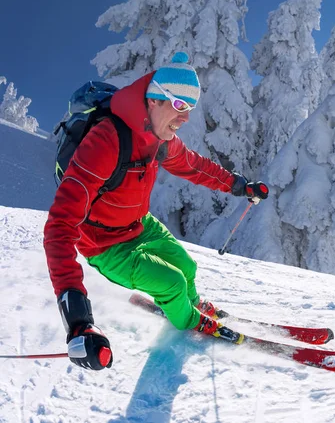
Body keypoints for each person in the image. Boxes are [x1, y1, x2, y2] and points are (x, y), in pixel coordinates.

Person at [44, 52, 268, 371]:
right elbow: (59, 227)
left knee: (186, 267)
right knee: (173, 282)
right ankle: (188, 320)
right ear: (154, 100)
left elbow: (194, 166)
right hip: (105, 245)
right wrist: (78, 320)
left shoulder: (160, 138)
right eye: (179, 105)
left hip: (140, 225)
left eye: (189, 108)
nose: (186, 117)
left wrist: (239, 185)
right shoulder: (106, 140)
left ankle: (188, 305)